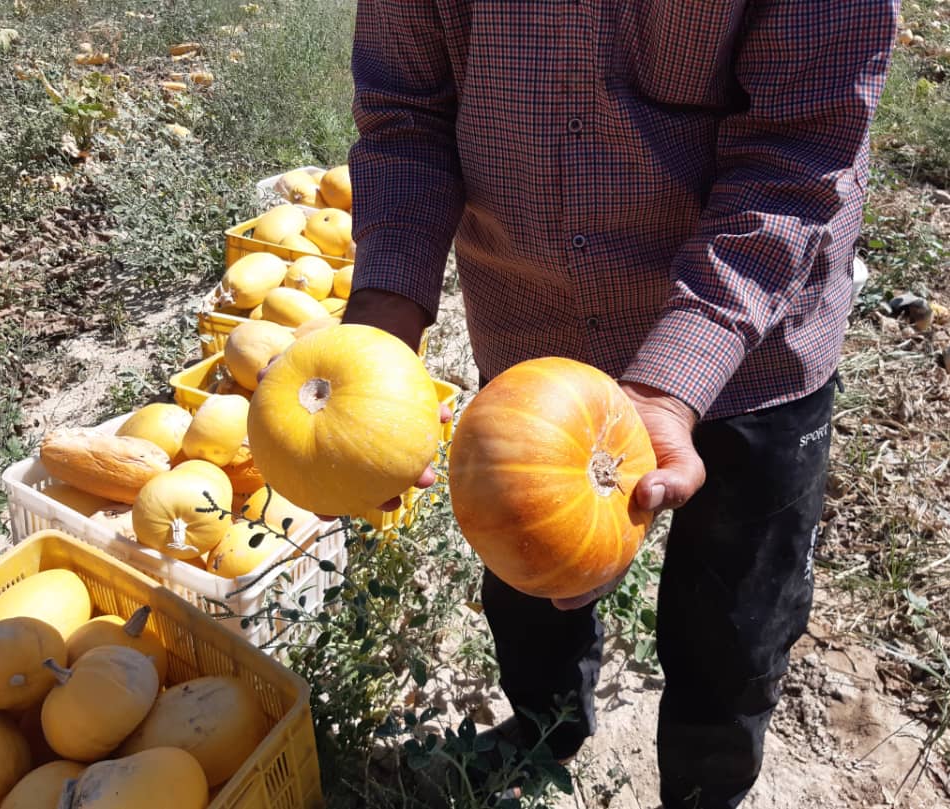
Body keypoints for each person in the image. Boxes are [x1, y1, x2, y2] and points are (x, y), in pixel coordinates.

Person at [339, 3, 898, 807]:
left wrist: (672, 380)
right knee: (533, 577)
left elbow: (800, 147)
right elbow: (408, 115)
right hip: (534, 320)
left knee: (736, 626)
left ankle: (705, 788)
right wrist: (378, 353)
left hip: (755, 339)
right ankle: (543, 729)